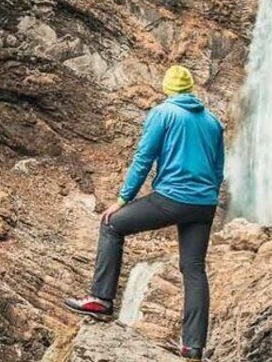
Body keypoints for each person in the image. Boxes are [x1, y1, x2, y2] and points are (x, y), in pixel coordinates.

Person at [64, 65, 225, 361]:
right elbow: (218, 169)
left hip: (171, 198)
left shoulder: (162, 113)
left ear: (167, 89)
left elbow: (143, 159)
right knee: (193, 269)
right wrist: (206, 196)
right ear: (190, 89)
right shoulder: (213, 122)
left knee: (112, 225)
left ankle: (100, 299)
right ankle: (193, 346)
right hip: (204, 204)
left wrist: (123, 199)